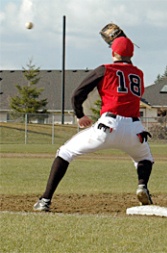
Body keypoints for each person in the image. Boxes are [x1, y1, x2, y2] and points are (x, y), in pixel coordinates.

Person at [33, 35, 154, 212]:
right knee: (145, 159)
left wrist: (80, 114)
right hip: (135, 129)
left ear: (113, 52)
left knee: (65, 152)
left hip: (109, 126)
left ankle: (45, 200)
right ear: (132, 55)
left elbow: (77, 93)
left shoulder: (105, 69)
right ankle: (142, 186)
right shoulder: (139, 73)